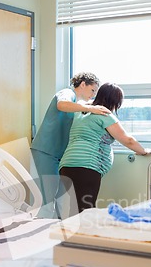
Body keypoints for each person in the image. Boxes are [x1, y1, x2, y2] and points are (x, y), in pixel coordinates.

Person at [58, 82, 151, 215]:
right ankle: (82, 235)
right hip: (86, 167)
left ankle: (71, 234)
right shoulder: (104, 114)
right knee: (85, 210)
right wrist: (143, 151)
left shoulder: (80, 113)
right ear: (115, 101)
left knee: (74, 208)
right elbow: (128, 140)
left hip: (66, 166)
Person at [30, 72, 110, 218]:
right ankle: (42, 232)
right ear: (83, 84)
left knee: (62, 198)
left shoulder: (79, 106)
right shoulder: (67, 93)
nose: (92, 95)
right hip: (46, 151)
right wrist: (90, 108)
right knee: (47, 197)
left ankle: (59, 229)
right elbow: (61, 105)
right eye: (92, 90)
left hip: (60, 155)